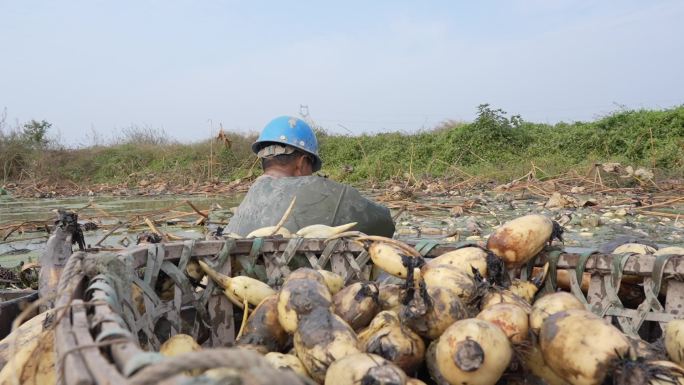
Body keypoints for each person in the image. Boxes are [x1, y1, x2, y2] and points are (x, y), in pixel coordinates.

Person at [226, 116, 395, 237]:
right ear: (302, 163)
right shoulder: (325, 191)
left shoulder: (246, 204)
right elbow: (385, 225)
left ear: (264, 161)